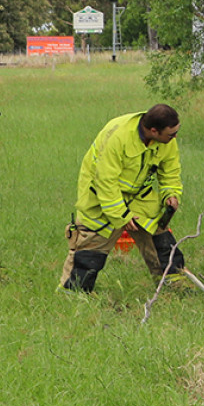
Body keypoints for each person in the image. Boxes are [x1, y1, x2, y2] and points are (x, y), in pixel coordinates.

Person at [60, 104, 188, 293]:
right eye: (171, 134)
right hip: (101, 196)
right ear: (153, 130)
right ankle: (73, 294)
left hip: (138, 196)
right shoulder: (118, 137)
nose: (175, 137)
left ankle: (174, 288)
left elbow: (170, 171)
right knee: (90, 251)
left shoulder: (166, 141)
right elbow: (106, 182)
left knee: (161, 239)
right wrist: (121, 216)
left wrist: (171, 194)